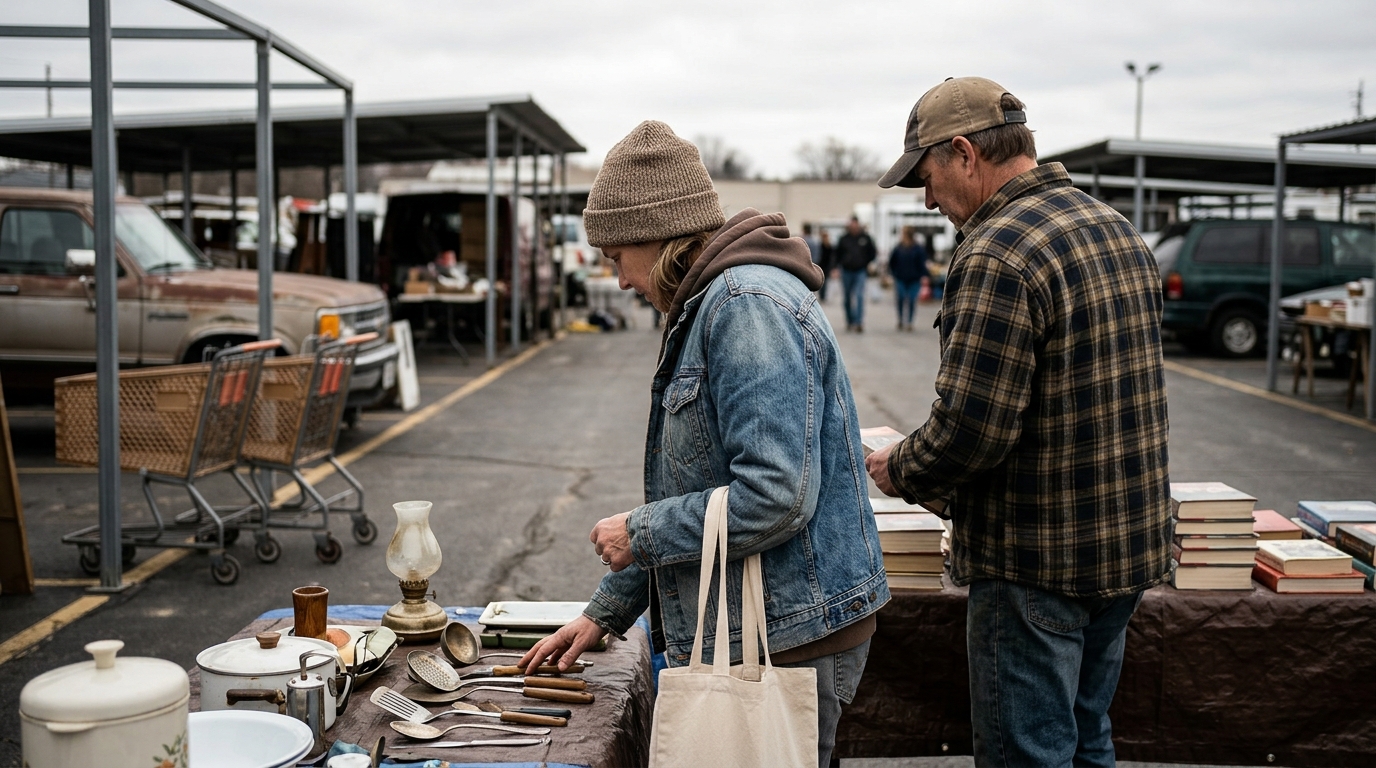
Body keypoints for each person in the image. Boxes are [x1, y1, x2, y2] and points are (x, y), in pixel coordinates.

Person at [520, 120, 890, 768]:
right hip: (775, 625)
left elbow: (776, 495)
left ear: (655, 236)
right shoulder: (716, 302)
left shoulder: (744, 305)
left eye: (617, 258)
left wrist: (641, 531)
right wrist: (607, 611)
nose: (622, 280)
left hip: (790, 634)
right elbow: (702, 487)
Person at [866, 77, 1171, 767]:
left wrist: (900, 467)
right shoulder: (1113, 227)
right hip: (1124, 550)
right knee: (1087, 734)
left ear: (966, 153)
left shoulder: (997, 250)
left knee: (1027, 753)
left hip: (1037, 560)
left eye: (928, 174)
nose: (926, 197)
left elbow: (973, 432)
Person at [835, 216, 876, 331]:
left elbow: (872, 252)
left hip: (860, 270)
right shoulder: (844, 239)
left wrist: (867, 262)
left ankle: (858, 322)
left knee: (859, 295)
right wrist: (836, 267)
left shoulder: (865, 238)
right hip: (846, 270)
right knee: (847, 297)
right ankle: (850, 320)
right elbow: (837, 254)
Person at [887, 226, 928, 331]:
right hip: (900, 278)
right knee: (901, 298)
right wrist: (893, 273)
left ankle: (909, 321)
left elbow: (922, 264)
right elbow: (892, 262)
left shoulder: (918, 248)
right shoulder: (898, 248)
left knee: (911, 300)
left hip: (914, 279)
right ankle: (901, 319)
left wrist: (924, 275)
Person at [818, 228, 835, 303]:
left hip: (826, 266)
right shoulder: (820, 245)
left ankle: (823, 296)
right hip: (821, 265)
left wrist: (832, 266)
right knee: (821, 281)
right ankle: (822, 295)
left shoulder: (829, 246)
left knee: (825, 281)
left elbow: (832, 257)